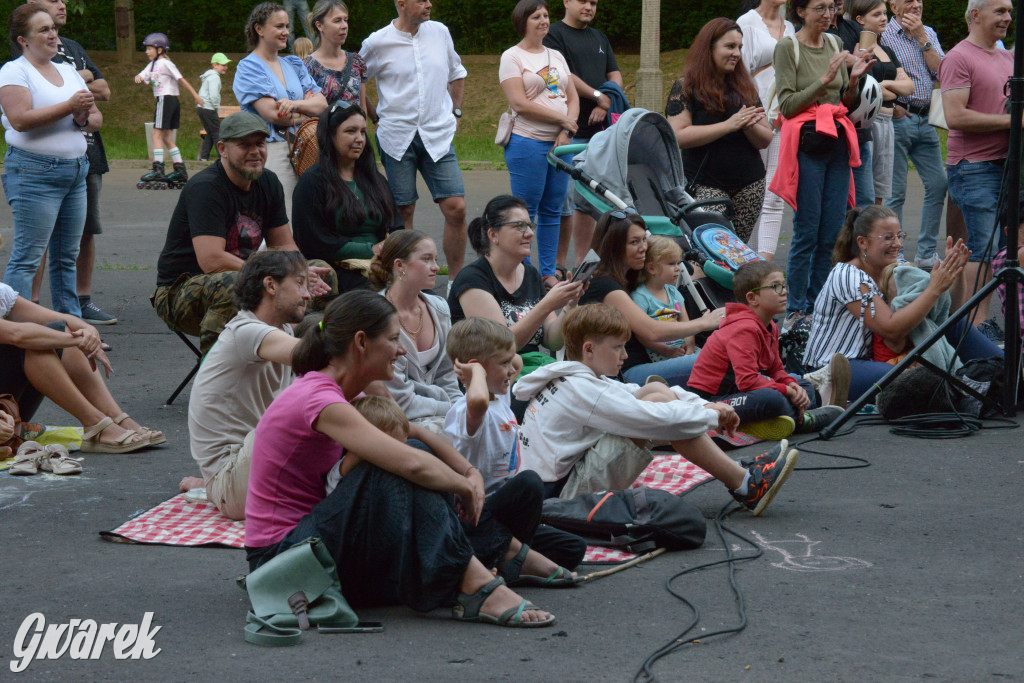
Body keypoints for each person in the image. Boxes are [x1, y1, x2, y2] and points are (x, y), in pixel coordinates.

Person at [245, 290, 560, 628]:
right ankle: (481, 579)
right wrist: (464, 487)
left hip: (324, 543)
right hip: (285, 559)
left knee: (521, 499)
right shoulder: (317, 398)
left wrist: (469, 471)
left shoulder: (348, 395)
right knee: (398, 468)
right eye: (394, 339)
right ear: (361, 342)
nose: (400, 349)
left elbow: (418, 433)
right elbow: (409, 464)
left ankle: (494, 558)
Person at [514, 303, 800, 514]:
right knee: (660, 410)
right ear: (589, 349)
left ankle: (741, 478)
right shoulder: (583, 391)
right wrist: (711, 417)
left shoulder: (574, 376)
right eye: (617, 348)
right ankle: (745, 483)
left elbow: (641, 393)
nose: (625, 356)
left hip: (558, 481)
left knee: (653, 390)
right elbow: (650, 417)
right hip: (561, 496)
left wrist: (706, 405)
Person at [151, 112, 333, 354]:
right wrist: (276, 276)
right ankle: (219, 374)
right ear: (222, 149)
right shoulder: (206, 188)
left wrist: (300, 273)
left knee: (321, 273)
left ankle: (306, 360)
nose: (255, 151)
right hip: (179, 291)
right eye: (244, 144)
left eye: (259, 143)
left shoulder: (268, 182)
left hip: (248, 278)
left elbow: (285, 245)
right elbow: (212, 261)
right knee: (234, 283)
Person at [802, 205, 1003, 401]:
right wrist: (934, 288)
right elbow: (890, 329)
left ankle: (1009, 373)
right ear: (862, 242)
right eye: (888, 237)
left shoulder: (898, 266)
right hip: (839, 365)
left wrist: (954, 274)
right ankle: (973, 389)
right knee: (916, 380)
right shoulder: (846, 275)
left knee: (955, 326)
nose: (897, 243)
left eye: (899, 235)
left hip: (878, 359)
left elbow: (950, 312)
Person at [445, 317, 587, 574]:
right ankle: (504, 560)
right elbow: (477, 399)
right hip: (475, 515)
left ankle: (505, 557)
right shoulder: (467, 410)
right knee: (529, 483)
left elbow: (518, 361)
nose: (512, 369)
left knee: (573, 548)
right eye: (503, 364)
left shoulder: (499, 395)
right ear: (478, 369)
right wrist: (475, 371)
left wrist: (500, 361)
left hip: (503, 514)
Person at [178, 250, 311, 520]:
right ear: (271, 285)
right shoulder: (247, 331)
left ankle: (211, 486)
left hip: (239, 474)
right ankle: (214, 486)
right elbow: (319, 356)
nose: (307, 294)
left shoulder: (282, 331)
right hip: (234, 482)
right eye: (299, 282)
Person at [769, 0, 873, 330]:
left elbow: (844, 100)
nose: (828, 15)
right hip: (809, 143)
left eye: (831, 8)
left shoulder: (834, 42)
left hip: (838, 140)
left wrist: (853, 81)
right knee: (807, 232)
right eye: (819, 8)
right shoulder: (788, 48)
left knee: (832, 231)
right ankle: (796, 310)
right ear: (799, 11)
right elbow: (787, 104)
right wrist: (825, 78)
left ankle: (820, 305)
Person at [0, 4, 101, 318]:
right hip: (33, 172)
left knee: (65, 259)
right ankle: (14, 335)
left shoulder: (68, 71)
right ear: (23, 40)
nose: (53, 34)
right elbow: (20, 120)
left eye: (53, 28)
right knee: (28, 258)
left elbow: (94, 119)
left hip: (75, 171)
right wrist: (70, 106)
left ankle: (70, 330)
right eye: (43, 30)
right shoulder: (14, 71)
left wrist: (82, 115)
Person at [360, 0, 469, 285]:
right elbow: (357, 80)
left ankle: (457, 284)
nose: (429, 4)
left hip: (438, 135)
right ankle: (407, 285)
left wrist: (456, 110)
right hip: (397, 136)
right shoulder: (377, 42)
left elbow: (457, 73)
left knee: (456, 207)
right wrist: (373, 117)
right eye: (421, 0)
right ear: (402, 4)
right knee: (403, 212)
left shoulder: (440, 32)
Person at [686, 260, 847, 441]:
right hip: (711, 400)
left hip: (740, 393)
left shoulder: (769, 325)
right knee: (772, 399)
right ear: (752, 298)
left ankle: (788, 419)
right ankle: (802, 419)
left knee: (803, 385)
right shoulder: (743, 328)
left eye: (783, 285)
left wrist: (789, 384)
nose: (784, 291)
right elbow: (747, 381)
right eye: (775, 287)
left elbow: (775, 369)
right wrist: (786, 391)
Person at [28, 0, 116, 326]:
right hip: (45, 158)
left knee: (85, 233)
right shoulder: (24, 47)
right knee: (40, 236)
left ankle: (82, 301)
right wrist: (81, 78)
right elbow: (34, 90)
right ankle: (31, 306)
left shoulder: (74, 47)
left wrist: (76, 78)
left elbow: (104, 90)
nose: (63, 4)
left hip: (87, 155)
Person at [0, 281, 157, 454]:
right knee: (35, 342)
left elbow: (60, 319)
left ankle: (114, 417)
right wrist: (77, 340)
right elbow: (17, 334)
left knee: (58, 329)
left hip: (6, 411)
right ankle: (95, 423)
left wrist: (88, 331)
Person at [449, 196, 584, 392]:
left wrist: (570, 304)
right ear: (493, 235)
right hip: (495, 381)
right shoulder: (473, 280)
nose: (529, 234)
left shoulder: (530, 274)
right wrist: (547, 304)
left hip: (532, 371)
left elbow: (553, 341)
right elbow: (502, 346)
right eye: (519, 226)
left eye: (530, 226)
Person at [940, 0, 1014, 345]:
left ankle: (983, 327)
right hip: (973, 168)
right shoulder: (958, 56)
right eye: (1000, 11)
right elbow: (955, 116)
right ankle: (974, 327)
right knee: (982, 249)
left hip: (1007, 167)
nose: (1008, 17)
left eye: (1010, 10)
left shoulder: (1008, 58)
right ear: (975, 15)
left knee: (1002, 248)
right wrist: (1012, 121)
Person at [579, 211, 724, 387]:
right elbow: (651, 331)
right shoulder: (604, 285)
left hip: (649, 363)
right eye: (634, 242)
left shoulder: (629, 277)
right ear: (614, 246)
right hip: (624, 374)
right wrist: (705, 322)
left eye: (643, 239)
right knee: (718, 357)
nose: (643, 248)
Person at [667, 17, 772, 243]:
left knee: (737, 252)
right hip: (706, 184)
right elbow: (678, 135)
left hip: (749, 185)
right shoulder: (686, 86)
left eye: (739, 47)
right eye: (729, 46)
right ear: (709, 48)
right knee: (713, 249)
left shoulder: (744, 86)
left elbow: (765, 139)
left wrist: (748, 124)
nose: (736, 53)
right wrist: (728, 125)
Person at [500, 0, 579, 288]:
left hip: (560, 146)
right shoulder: (512, 57)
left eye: (546, 15)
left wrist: (566, 131)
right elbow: (519, 103)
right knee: (525, 213)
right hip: (527, 143)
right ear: (523, 21)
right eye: (536, 16)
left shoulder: (556, 55)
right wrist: (563, 122)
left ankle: (546, 273)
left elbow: (572, 97)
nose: (544, 20)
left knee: (552, 210)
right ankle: (523, 272)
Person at [543, 0, 623, 272]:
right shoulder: (554, 34)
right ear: (566, 2)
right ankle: (557, 266)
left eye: (594, 2)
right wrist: (600, 97)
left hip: (600, 133)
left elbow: (614, 74)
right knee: (563, 202)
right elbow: (563, 76)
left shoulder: (599, 37)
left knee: (591, 200)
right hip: (566, 130)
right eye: (583, 1)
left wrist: (609, 99)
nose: (589, 6)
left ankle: (584, 265)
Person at [292, 102, 401, 291]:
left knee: (424, 294)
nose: (359, 138)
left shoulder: (375, 180)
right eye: (351, 131)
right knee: (376, 299)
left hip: (380, 265)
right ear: (331, 135)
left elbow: (397, 226)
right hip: (337, 270)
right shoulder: (312, 182)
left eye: (362, 132)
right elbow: (313, 241)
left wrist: (390, 247)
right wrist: (371, 250)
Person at [233, 2, 328, 219]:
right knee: (282, 216)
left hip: (307, 147)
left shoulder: (294, 63)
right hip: (273, 148)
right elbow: (274, 115)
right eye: (279, 26)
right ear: (259, 29)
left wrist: (294, 105)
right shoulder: (249, 67)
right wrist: (307, 110)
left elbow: (321, 104)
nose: (286, 31)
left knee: (311, 215)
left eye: (287, 26)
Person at [368, 231, 462, 429]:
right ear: (399, 265)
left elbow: (447, 374)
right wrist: (453, 409)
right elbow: (399, 400)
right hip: (395, 418)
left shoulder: (439, 307)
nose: (436, 267)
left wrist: (463, 410)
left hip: (441, 410)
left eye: (435, 259)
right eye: (426, 259)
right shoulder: (376, 317)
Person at [880, 0, 946, 270]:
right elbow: (873, 75)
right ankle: (895, 256)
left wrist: (922, 39)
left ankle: (927, 252)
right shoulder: (883, 33)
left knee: (939, 183)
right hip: (899, 118)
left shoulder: (928, 32)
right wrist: (891, 106)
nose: (916, 4)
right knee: (896, 192)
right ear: (893, 6)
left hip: (926, 118)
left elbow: (942, 72)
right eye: (909, 0)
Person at [737, 0, 795, 260]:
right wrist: (755, 113)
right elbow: (739, 75)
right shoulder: (746, 23)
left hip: (784, 118)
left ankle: (765, 263)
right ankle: (743, 262)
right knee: (751, 192)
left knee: (773, 195)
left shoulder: (791, 27)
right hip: (755, 118)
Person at [848, 0, 913, 206]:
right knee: (863, 190)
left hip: (888, 123)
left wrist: (883, 84)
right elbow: (863, 89)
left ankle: (875, 233)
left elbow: (910, 87)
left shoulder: (887, 50)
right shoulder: (855, 50)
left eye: (884, 13)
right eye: (876, 15)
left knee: (881, 190)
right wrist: (892, 87)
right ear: (860, 19)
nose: (884, 18)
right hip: (868, 123)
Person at [133, 32, 201, 188]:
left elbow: (181, 80)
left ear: (160, 49)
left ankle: (158, 170)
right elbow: (143, 74)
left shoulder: (165, 64)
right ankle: (180, 170)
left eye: (149, 48)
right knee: (167, 138)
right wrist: (139, 77)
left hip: (166, 99)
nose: (146, 52)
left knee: (156, 134)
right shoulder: (153, 64)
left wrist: (195, 96)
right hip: (167, 100)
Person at [629, 236, 694, 361]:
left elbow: (687, 325)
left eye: (677, 263)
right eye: (671, 264)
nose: (678, 268)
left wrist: (690, 346)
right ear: (652, 268)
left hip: (683, 348)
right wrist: (666, 350)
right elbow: (641, 335)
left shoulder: (674, 292)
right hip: (661, 352)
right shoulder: (641, 296)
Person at [303, 0, 367, 109]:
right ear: (319, 25)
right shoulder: (307, 67)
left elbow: (362, 108)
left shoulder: (357, 61)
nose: (344, 26)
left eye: (345, 20)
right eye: (337, 21)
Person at [196, 52, 231, 162]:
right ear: (215, 65)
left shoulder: (208, 76)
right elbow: (214, 95)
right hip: (208, 108)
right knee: (217, 133)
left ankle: (204, 157)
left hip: (201, 108)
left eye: (226, 65)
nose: (226, 67)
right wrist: (216, 107)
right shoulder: (214, 77)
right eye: (223, 65)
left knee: (210, 132)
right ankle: (223, 158)